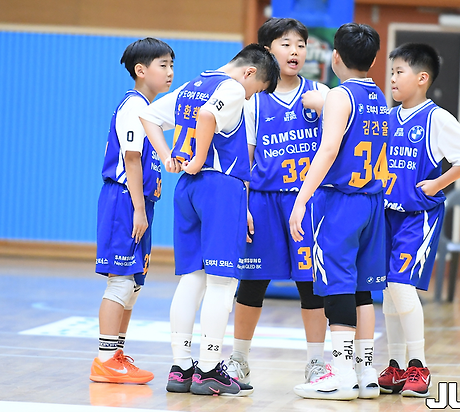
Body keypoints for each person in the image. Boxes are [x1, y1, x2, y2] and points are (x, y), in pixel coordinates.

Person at [139, 43, 279, 397]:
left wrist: (168, 156)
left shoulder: (193, 84)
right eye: (256, 90)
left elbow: (149, 117)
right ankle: (209, 368)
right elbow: (207, 117)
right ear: (249, 73)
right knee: (222, 282)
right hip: (220, 186)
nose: (251, 96)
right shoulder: (232, 88)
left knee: (192, 278)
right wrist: (200, 157)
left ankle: (181, 367)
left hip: (188, 189)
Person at [226, 17, 330, 386]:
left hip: (306, 202)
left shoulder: (320, 94)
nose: (295, 51)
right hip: (264, 202)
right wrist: (244, 205)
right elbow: (245, 157)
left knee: (311, 284)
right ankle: (238, 359)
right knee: (252, 282)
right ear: (268, 50)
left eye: (301, 45)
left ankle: (316, 363)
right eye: (286, 44)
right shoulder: (253, 98)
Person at [377, 43, 460, 397]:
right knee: (389, 290)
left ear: (422, 78)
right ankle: (395, 366)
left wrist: (438, 183)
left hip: (417, 216)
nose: (393, 78)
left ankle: (419, 366)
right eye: (391, 72)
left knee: (401, 284)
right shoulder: (388, 117)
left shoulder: (436, 118)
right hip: (386, 214)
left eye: (399, 72)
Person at [288, 23, 388, 401]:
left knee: (337, 285)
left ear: (335, 57)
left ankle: (341, 375)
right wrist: (323, 101)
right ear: (374, 60)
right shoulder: (378, 96)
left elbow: (328, 149)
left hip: (341, 203)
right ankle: (366, 373)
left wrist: (301, 199)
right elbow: (341, 109)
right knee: (363, 289)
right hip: (372, 202)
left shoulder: (339, 97)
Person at [90, 37, 175, 384]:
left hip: (140, 203)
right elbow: (131, 158)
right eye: (163, 65)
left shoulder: (150, 111)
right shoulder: (133, 106)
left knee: (133, 286)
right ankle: (104, 360)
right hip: (124, 201)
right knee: (121, 282)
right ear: (140, 70)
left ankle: (116, 355)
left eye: (171, 65)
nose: (170, 72)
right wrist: (138, 209)